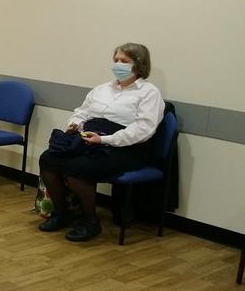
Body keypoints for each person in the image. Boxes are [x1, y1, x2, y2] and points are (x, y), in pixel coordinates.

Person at [37, 43, 164, 242]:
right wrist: (75, 125)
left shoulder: (149, 93)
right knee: (48, 159)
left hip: (126, 148)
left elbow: (143, 129)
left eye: (124, 61)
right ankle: (62, 213)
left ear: (139, 64)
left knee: (77, 169)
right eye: (116, 60)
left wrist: (105, 139)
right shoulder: (102, 89)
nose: (118, 64)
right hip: (90, 140)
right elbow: (82, 112)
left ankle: (90, 222)